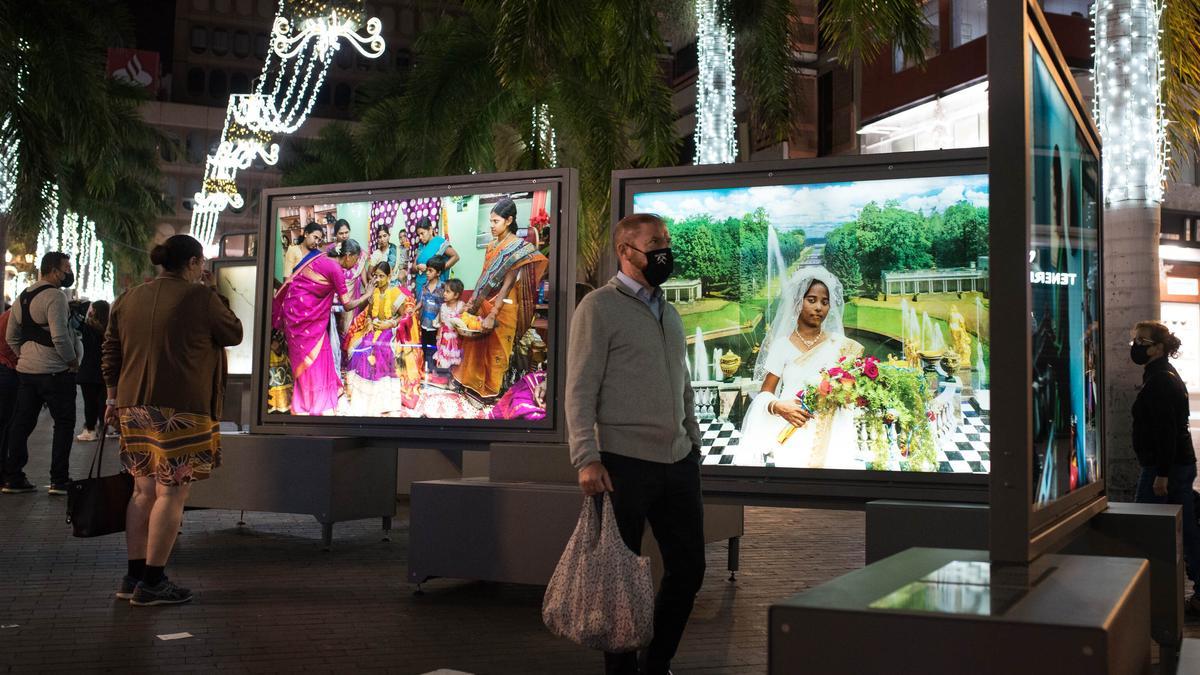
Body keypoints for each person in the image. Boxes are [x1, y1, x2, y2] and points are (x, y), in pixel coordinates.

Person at [566, 213, 704, 675]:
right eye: (655, 242)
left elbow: (683, 383)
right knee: (617, 578)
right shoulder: (599, 308)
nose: (665, 249)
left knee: (690, 568)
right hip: (623, 464)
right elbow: (580, 387)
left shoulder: (670, 309)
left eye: (666, 240)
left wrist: (694, 440)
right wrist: (586, 456)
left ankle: (657, 662)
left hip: (678, 461)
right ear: (626, 251)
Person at [101, 234, 242, 606]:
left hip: (132, 406)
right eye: (201, 265)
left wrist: (112, 397)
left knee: (142, 491)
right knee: (172, 492)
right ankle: (153, 581)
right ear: (194, 264)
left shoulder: (129, 297)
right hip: (181, 409)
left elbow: (110, 349)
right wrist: (215, 294)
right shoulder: (201, 297)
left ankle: (133, 577)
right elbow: (234, 332)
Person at [735, 267, 865, 469]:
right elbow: (765, 392)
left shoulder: (840, 345)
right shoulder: (781, 345)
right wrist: (778, 406)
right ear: (797, 303)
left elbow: (848, 394)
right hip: (793, 429)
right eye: (811, 300)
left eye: (825, 302)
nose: (819, 307)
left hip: (832, 431)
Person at [1129, 320, 1199, 613]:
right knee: (1187, 526)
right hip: (1174, 465)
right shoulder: (1159, 376)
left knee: (1143, 527)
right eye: (1134, 341)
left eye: (1141, 343)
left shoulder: (1161, 380)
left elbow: (1167, 431)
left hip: (1166, 468)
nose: (1135, 347)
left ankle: (1144, 597)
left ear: (1158, 348)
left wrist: (1161, 474)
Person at [453, 198, 548, 403]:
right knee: (476, 347)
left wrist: (494, 313)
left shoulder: (517, 248)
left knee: (497, 351)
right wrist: (471, 304)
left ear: (509, 220)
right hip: (485, 302)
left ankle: (490, 393)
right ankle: (473, 387)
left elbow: (507, 284)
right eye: (491, 221)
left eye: (496, 221)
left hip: (504, 306)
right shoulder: (491, 246)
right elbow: (485, 275)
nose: (492, 226)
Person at [1, 252, 82, 495]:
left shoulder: (23, 297)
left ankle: (13, 477)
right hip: (55, 373)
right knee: (64, 424)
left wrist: (25, 356)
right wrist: (71, 361)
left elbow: (11, 336)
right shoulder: (55, 296)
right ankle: (59, 480)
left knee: (21, 424)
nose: (69, 273)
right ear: (54, 270)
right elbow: (59, 335)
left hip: (27, 373)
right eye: (66, 268)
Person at [272, 239, 370, 415]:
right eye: (356, 260)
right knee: (315, 361)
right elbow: (347, 304)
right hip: (306, 318)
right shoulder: (336, 270)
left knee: (320, 354)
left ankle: (309, 400)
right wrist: (368, 294)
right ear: (347, 256)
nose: (356, 265)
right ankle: (316, 403)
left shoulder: (320, 256)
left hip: (295, 314)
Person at [343, 261, 420, 414]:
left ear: (389, 276)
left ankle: (382, 399)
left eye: (382, 276)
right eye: (376, 276)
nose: (378, 279)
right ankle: (364, 396)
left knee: (378, 347)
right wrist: (370, 323)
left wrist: (389, 324)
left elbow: (403, 316)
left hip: (391, 328)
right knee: (362, 346)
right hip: (375, 326)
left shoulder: (396, 293)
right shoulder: (373, 293)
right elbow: (370, 314)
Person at [76, 300, 110, 442]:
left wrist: (80, 307)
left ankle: (90, 430)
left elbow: (75, 319)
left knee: (89, 402)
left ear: (94, 311)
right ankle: (105, 428)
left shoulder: (87, 327)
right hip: (105, 370)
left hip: (88, 370)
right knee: (104, 401)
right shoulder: (111, 328)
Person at [0, 305, 19, 487]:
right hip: (7, 370)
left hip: (6, 370)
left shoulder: (7, 315)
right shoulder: (13, 317)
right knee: (5, 424)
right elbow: (9, 344)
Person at [417, 255, 447, 373]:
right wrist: (413, 309)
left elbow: (444, 306)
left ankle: (433, 370)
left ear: (438, 273)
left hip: (436, 326)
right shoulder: (424, 286)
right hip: (424, 324)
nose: (427, 273)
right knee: (424, 347)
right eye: (427, 269)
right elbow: (421, 303)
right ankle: (425, 370)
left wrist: (440, 324)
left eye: (431, 270)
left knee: (434, 348)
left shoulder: (443, 287)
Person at [413, 216, 460, 281]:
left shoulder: (439, 242)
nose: (420, 237)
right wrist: (418, 267)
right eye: (418, 235)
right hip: (420, 285)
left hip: (435, 286)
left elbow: (456, 257)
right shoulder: (421, 246)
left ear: (430, 230)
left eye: (422, 233)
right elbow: (414, 266)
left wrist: (435, 269)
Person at [435, 278, 466, 373]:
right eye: (444, 291)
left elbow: (464, 321)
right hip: (444, 338)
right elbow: (441, 323)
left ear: (456, 295)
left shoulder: (461, 306)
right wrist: (438, 336)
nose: (444, 293)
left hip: (456, 339)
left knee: (455, 361)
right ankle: (442, 376)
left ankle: (452, 378)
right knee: (443, 359)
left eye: (448, 292)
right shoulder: (443, 306)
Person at [369, 224, 408, 289]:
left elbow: (403, 266)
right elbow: (369, 274)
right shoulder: (376, 254)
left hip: (395, 284)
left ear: (389, 236)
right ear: (377, 239)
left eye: (384, 236)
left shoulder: (396, 249)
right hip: (380, 287)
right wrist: (377, 282)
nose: (382, 239)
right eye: (380, 237)